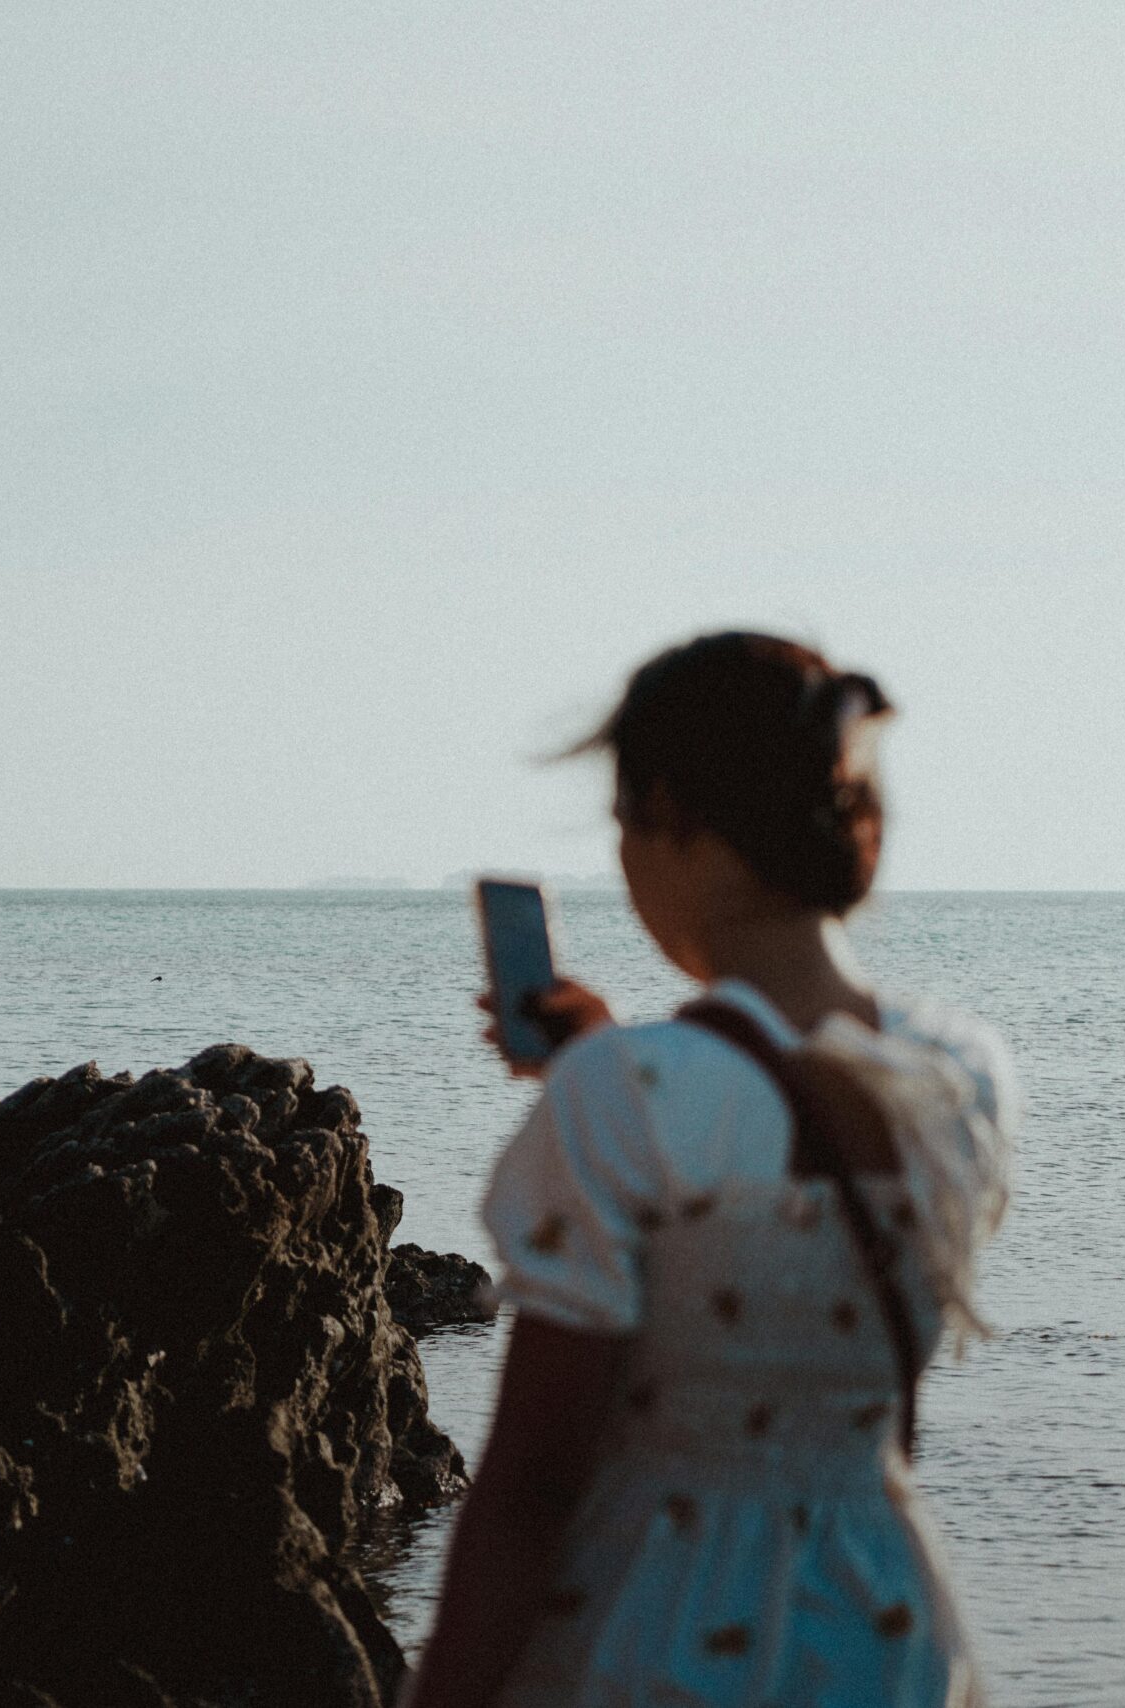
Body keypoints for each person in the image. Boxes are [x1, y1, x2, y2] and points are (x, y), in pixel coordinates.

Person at [406, 631, 1022, 1708]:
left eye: (621, 827)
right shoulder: (963, 1073)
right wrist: (614, 1057)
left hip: (662, 1629)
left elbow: (535, 1484)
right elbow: (792, 1116)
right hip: (885, 1629)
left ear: (673, 821)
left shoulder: (626, 1096)